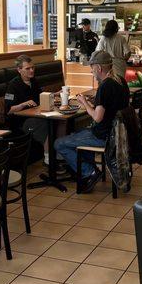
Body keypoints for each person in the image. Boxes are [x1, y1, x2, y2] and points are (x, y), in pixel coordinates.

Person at [54, 50, 130, 193]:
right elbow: (110, 107)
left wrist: (84, 102)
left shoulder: (105, 86)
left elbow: (97, 117)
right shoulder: (120, 80)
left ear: (99, 68)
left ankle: (90, 172)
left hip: (105, 137)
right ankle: (87, 173)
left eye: (92, 69)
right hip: (119, 135)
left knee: (59, 143)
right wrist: (93, 104)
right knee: (78, 132)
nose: (91, 72)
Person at [5, 55, 49, 155]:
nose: (32, 70)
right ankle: (48, 157)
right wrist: (23, 104)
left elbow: (40, 98)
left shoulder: (34, 81)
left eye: (33, 67)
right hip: (19, 122)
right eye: (28, 68)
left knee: (56, 122)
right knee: (47, 125)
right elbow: (9, 110)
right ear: (19, 70)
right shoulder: (12, 86)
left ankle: (57, 156)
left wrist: (54, 95)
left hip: (35, 115)